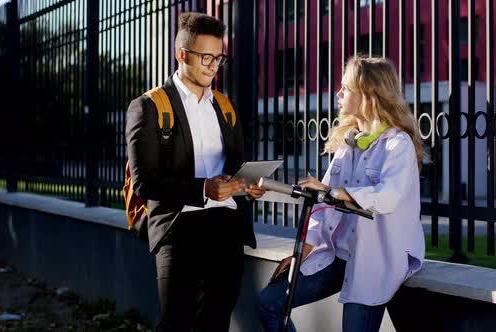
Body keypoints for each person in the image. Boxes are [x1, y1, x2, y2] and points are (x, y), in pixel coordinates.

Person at [257, 56, 426, 332]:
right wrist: (302, 254)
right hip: (336, 255)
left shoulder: (398, 144)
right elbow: (322, 207)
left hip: (373, 260)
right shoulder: (349, 144)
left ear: (369, 94)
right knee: (269, 302)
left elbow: (389, 196)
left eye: (345, 88)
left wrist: (336, 192)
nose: (338, 93)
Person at [125, 12, 265, 332]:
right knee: (176, 323)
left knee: (215, 323)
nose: (213, 65)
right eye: (205, 57)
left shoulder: (226, 108)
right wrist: (203, 189)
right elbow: (145, 181)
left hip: (227, 227)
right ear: (182, 55)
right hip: (179, 226)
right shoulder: (148, 106)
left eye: (218, 57)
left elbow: (233, 169)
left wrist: (247, 187)